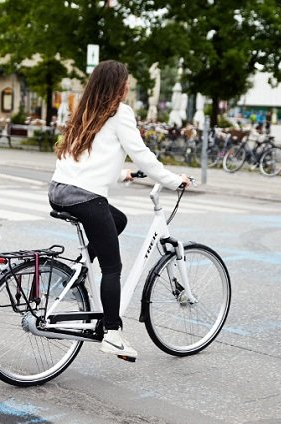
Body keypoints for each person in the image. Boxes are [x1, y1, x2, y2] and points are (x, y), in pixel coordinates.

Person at [48, 60, 191, 360]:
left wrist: (118, 174)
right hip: (85, 198)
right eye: (126, 82)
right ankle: (112, 333)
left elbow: (85, 160)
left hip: (59, 191)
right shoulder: (119, 113)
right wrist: (173, 180)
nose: (128, 87)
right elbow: (143, 156)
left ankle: (77, 270)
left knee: (118, 220)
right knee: (113, 268)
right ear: (118, 86)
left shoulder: (85, 111)